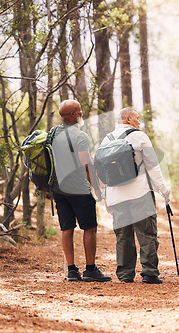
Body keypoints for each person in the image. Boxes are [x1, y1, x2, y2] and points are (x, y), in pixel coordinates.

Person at [101, 108, 170, 284]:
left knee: (123, 236)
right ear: (128, 119)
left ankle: (125, 275)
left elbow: (101, 172)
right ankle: (149, 273)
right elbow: (152, 165)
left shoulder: (106, 140)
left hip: (116, 195)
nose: (139, 122)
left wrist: (106, 198)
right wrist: (163, 189)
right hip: (140, 193)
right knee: (147, 233)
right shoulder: (139, 136)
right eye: (137, 118)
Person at [51, 99, 111, 282]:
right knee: (89, 228)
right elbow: (87, 164)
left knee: (66, 228)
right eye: (78, 111)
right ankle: (90, 269)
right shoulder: (80, 136)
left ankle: (71, 270)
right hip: (78, 189)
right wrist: (97, 189)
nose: (81, 113)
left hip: (59, 189)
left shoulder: (53, 133)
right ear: (71, 115)